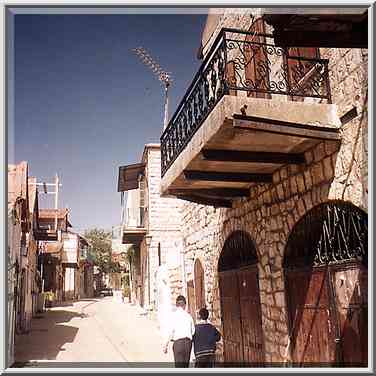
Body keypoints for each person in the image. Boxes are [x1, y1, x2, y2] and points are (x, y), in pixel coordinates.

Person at [163, 295, 195, 367]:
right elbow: (193, 331)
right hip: (188, 343)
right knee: (185, 366)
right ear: (185, 305)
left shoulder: (173, 316)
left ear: (176, 305)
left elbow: (170, 331)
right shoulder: (189, 316)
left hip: (178, 343)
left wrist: (165, 345)